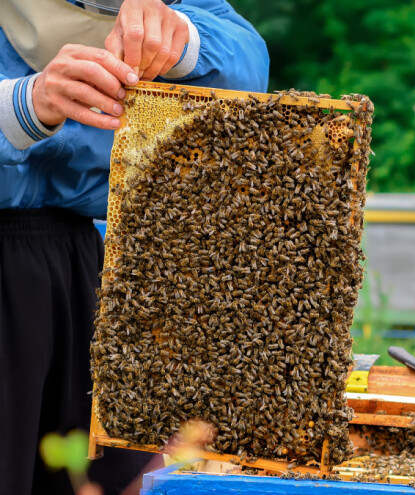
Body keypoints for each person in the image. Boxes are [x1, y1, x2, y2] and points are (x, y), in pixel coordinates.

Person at [0, 0, 269, 493]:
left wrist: (183, 40)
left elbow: (245, 59)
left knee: (98, 475)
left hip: (84, 251)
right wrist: (21, 104)